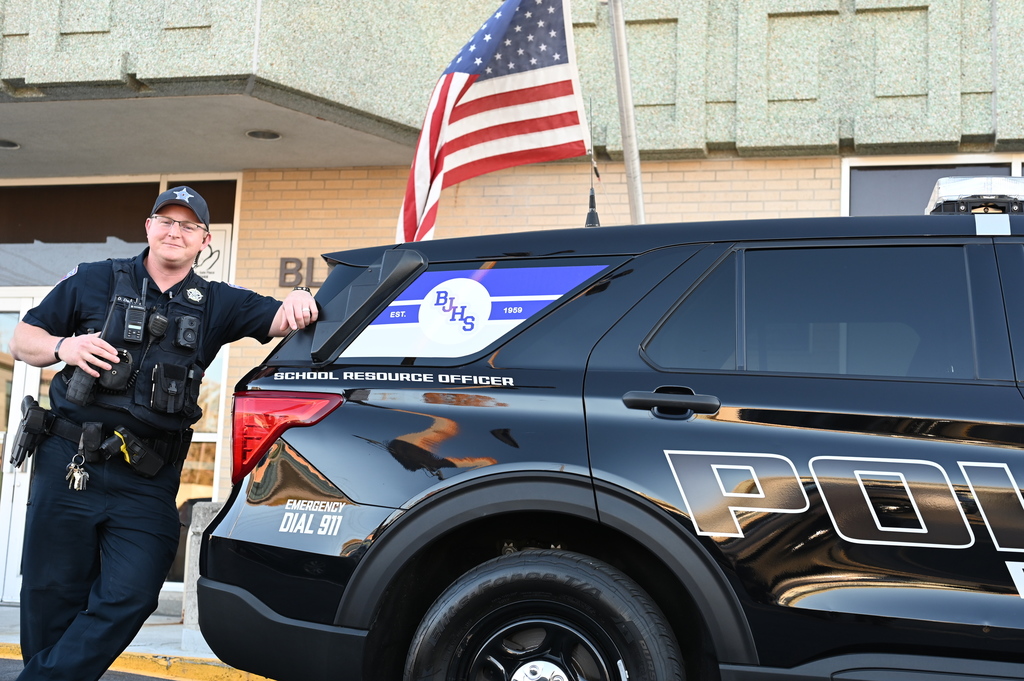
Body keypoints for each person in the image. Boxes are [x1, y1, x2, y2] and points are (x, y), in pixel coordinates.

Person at [8, 185, 318, 681]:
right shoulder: (94, 279)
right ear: (148, 227)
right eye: (166, 220)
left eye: (188, 225)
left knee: (132, 593)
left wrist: (302, 296)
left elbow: (282, 317)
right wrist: (64, 346)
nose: (176, 231)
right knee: (50, 594)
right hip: (70, 461)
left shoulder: (216, 302)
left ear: (205, 240)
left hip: (146, 477)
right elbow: (24, 338)